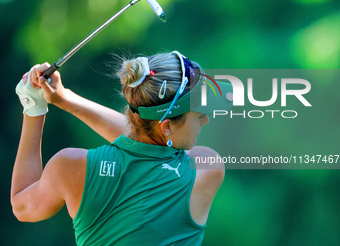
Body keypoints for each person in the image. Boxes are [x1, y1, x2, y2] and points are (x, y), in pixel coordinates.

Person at [11, 51, 232, 245]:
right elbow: (140, 142)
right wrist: (66, 99)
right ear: (166, 127)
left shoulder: (70, 166)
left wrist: (34, 107)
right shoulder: (206, 168)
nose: (205, 121)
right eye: (199, 115)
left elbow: (21, 206)